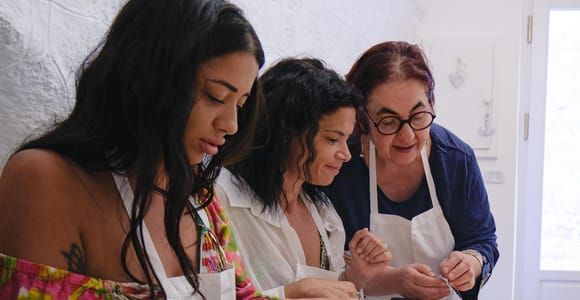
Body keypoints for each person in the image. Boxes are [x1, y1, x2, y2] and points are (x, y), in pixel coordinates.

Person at [0, 0, 271, 299]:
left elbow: (242, 294)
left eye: (241, 105)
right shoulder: (44, 181)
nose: (231, 124)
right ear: (150, 76)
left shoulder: (198, 196)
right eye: (216, 96)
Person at [323, 41, 499, 300]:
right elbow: (326, 269)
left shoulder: (455, 160)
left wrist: (470, 263)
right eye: (388, 121)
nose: (407, 136)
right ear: (362, 118)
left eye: (418, 116)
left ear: (432, 103)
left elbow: (483, 240)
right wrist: (394, 282)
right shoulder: (341, 166)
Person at [215, 58, 392, 299]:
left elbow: (328, 292)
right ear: (286, 133)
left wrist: (354, 276)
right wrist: (292, 293)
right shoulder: (221, 200)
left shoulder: (322, 211)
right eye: (332, 139)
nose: (346, 154)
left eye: (346, 139)